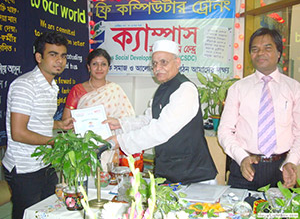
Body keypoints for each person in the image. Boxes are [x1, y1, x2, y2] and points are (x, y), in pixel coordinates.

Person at [105, 40, 217, 185]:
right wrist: (120, 123)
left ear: (177, 62)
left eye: (163, 62)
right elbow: (148, 119)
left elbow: (160, 130)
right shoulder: (163, 88)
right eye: (154, 63)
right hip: (168, 172)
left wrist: (119, 141)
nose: (158, 68)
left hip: (194, 176)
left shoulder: (185, 89)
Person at [2, 31, 74, 219]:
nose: (59, 60)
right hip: (25, 167)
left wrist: (60, 124)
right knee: (27, 214)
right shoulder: (26, 86)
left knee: (48, 211)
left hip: (45, 161)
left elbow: (37, 121)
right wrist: (54, 142)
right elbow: (19, 133)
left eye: (63, 55)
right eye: (53, 54)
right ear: (39, 57)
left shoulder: (51, 86)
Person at [218, 27, 300, 191]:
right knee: (237, 215)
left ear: (279, 53)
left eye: (267, 48)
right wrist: (242, 158)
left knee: (279, 216)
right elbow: (224, 131)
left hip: (281, 170)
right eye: (255, 49)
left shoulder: (294, 88)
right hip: (245, 167)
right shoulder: (238, 88)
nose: (260, 53)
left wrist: (292, 161)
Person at [62, 48, 143, 171]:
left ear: (108, 67)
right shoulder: (77, 90)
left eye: (103, 64)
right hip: (84, 146)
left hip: (110, 146)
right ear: (88, 67)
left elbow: (128, 118)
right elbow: (65, 120)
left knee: (107, 180)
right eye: (95, 64)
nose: (99, 68)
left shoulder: (115, 90)